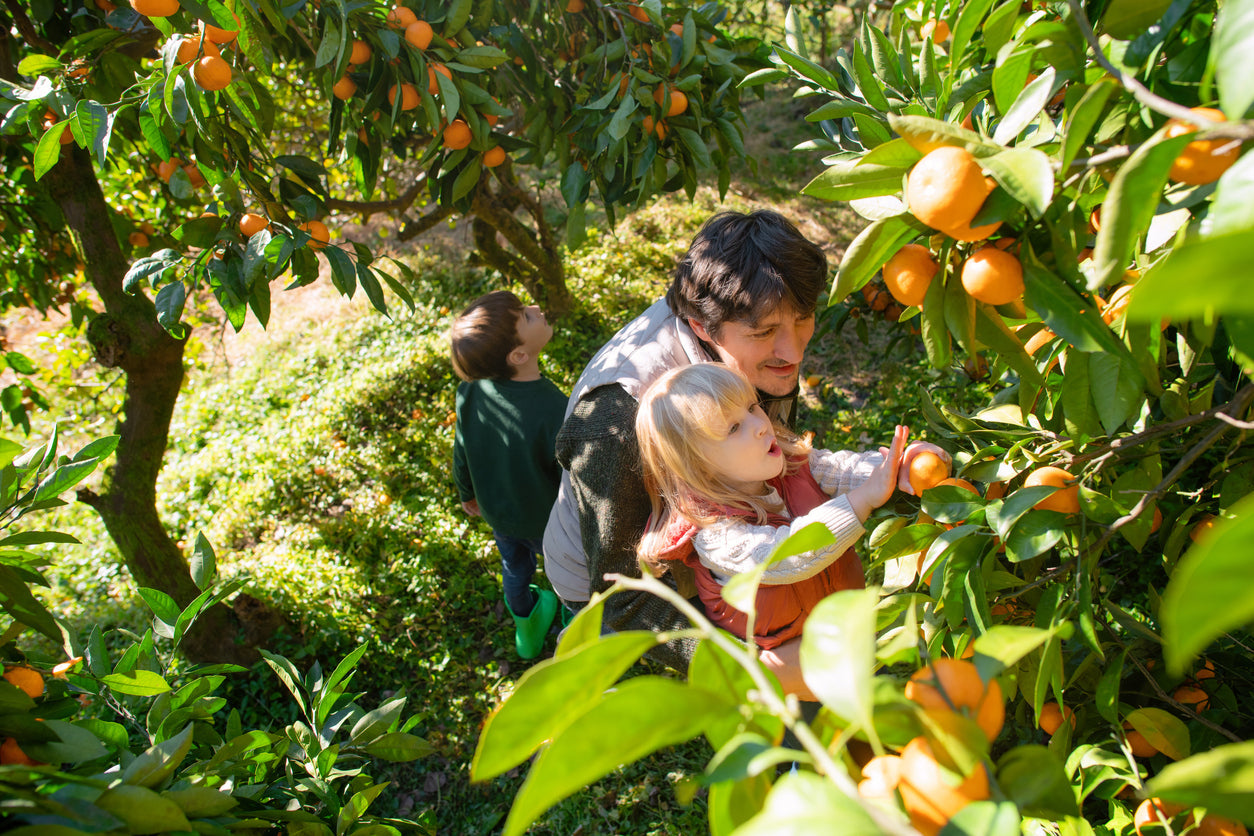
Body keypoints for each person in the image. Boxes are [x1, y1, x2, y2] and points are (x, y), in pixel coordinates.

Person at [543, 210, 946, 698]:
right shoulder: (617, 421)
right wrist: (753, 670)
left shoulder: (751, 320)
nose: (793, 351)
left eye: (803, 320)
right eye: (763, 333)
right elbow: (623, 598)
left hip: (751, 534)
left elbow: (797, 457)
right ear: (702, 327)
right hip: (621, 570)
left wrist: (885, 471)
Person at [634, 363, 908, 648]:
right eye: (734, 427)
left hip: (844, 623)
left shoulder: (791, 464)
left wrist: (899, 467)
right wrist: (862, 500)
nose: (760, 425)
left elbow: (843, 469)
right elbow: (788, 555)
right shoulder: (717, 535)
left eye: (752, 407)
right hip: (785, 664)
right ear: (701, 468)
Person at [451, 290, 567, 659]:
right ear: (518, 355)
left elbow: (462, 448)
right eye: (527, 317)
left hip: (497, 512)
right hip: (547, 522)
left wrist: (466, 492)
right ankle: (571, 618)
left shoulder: (470, 390)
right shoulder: (552, 407)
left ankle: (526, 630)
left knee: (514, 569)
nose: (536, 308)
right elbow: (570, 475)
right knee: (561, 570)